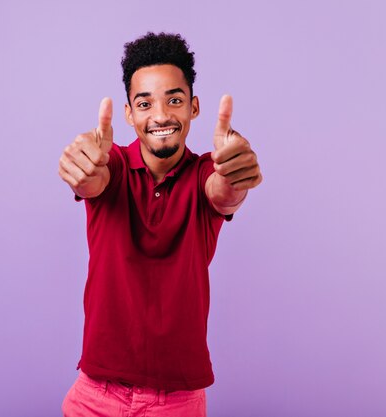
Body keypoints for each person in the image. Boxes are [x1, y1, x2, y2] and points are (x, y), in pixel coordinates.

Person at [58, 32, 262, 417]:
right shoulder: (112, 165)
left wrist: (235, 175)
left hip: (177, 402)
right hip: (95, 396)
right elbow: (91, 181)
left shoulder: (204, 171)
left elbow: (222, 193)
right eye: (145, 103)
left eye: (174, 100)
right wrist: (81, 166)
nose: (162, 115)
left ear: (193, 107)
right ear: (129, 114)